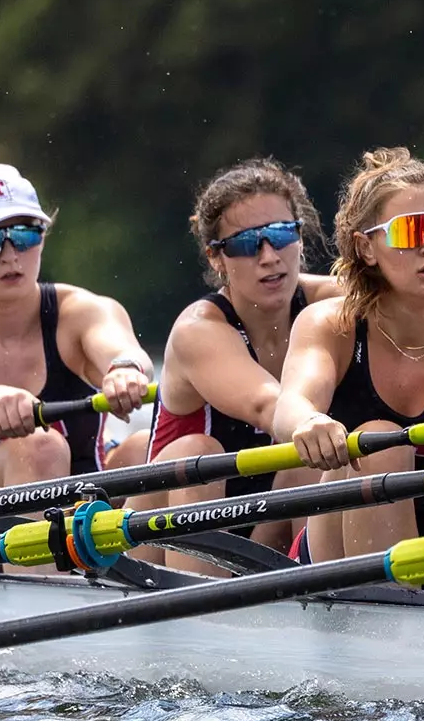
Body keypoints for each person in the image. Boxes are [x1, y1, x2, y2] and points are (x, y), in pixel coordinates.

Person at [270, 148, 424, 562]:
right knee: (380, 441)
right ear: (366, 248)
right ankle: (398, 605)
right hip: (340, 542)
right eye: (411, 231)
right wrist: (310, 421)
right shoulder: (330, 325)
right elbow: (290, 405)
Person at [126, 159, 338, 573]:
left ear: (299, 237)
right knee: (196, 452)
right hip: (171, 535)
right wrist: (311, 420)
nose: (269, 256)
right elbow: (266, 405)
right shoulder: (199, 331)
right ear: (217, 257)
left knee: (310, 464)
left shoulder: (336, 304)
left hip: (266, 529)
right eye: (246, 243)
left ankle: (332, 599)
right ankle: (199, 615)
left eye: (280, 235)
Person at [0, 164, 154, 502]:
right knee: (39, 445)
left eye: (24, 236)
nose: (10, 255)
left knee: (150, 446)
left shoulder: (83, 310)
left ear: (42, 238)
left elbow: (124, 350)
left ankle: (163, 555)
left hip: (84, 504)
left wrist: (125, 370)